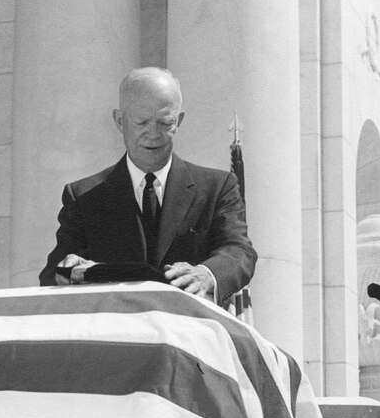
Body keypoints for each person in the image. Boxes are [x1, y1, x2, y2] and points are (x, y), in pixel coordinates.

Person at [38, 67, 256, 307]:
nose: (153, 134)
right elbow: (52, 275)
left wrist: (207, 274)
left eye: (165, 122)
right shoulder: (83, 197)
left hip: (191, 331)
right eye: (141, 122)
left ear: (179, 121)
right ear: (120, 121)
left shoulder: (217, 187)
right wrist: (69, 269)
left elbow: (239, 251)